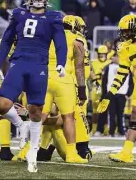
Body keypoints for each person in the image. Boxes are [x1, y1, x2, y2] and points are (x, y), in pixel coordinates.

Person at [0, 0, 67, 172]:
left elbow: (60, 43)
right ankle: (20, 124)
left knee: (35, 110)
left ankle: (33, 150)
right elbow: (7, 39)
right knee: (1, 104)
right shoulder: (19, 14)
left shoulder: (53, 17)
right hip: (18, 62)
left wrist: (61, 62)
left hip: (39, 65)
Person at [98, 15, 136, 162]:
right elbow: (122, 73)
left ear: (135, 28)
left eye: (126, 31)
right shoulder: (124, 48)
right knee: (135, 116)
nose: (124, 34)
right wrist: (109, 94)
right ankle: (126, 153)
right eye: (123, 31)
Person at [41, 15, 90, 163]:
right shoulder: (77, 40)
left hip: (44, 79)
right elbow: (80, 68)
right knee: (69, 117)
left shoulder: (48, 37)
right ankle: (73, 153)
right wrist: (82, 91)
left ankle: (31, 149)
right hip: (65, 80)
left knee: (39, 117)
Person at [101, 54, 134, 137]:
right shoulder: (108, 67)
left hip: (122, 93)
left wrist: (128, 93)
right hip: (111, 93)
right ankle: (111, 131)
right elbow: (104, 81)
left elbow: (130, 81)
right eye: (114, 56)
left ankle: (121, 130)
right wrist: (105, 93)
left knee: (121, 113)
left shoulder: (127, 67)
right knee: (111, 113)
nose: (114, 58)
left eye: (117, 56)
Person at [90, 45, 111, 135]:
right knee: (95, 110)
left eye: (103, 54)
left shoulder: (110, 62)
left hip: (107, 87)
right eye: (100, 54)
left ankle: (106, 129)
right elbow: (90, 73)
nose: (101, 56)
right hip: (97, 86)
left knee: (107, 109)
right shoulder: (93, 62)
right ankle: (94, 129)